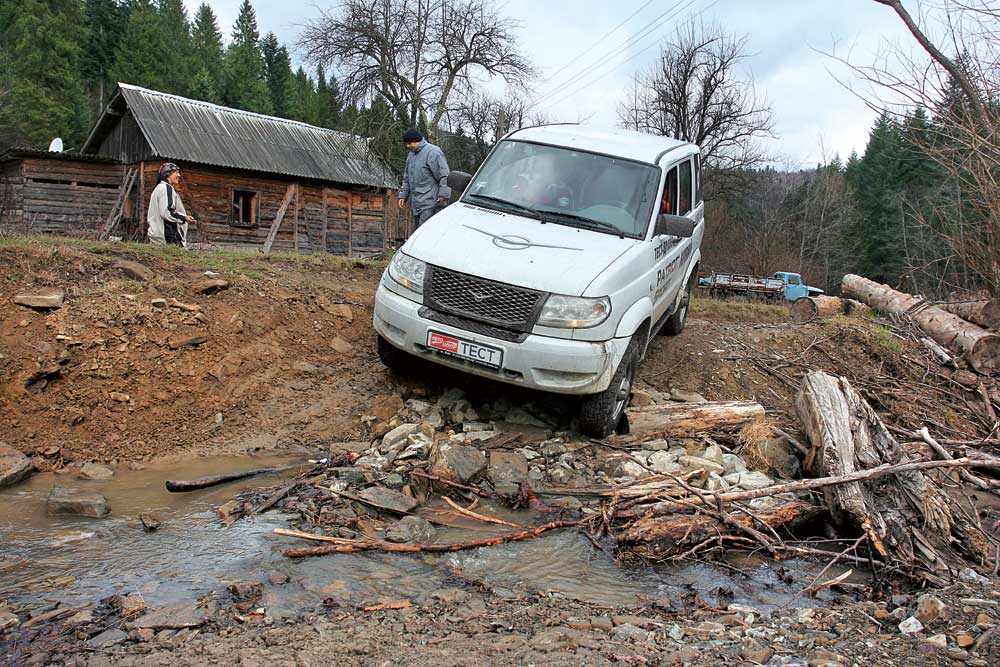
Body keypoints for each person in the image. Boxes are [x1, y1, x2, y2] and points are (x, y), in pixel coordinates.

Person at [398, 128, 450, 229]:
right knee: (418, 233)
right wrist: (403, 195)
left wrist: (444, 194)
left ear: (416, 140)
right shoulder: (411, 155)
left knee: (426, 234)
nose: (407, 146)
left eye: (409, 143)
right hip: (417, 205)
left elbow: (444, 175)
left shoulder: (433, 152)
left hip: (431, 204)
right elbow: (407, 178)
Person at [148, 162, 194, 247]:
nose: (179, 175)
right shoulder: (166, 188)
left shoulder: (158, 188)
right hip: (166, 236)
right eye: (176, 172)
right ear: (167, 174)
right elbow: (167, 212)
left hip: (157, 235)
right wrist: (184, 218)